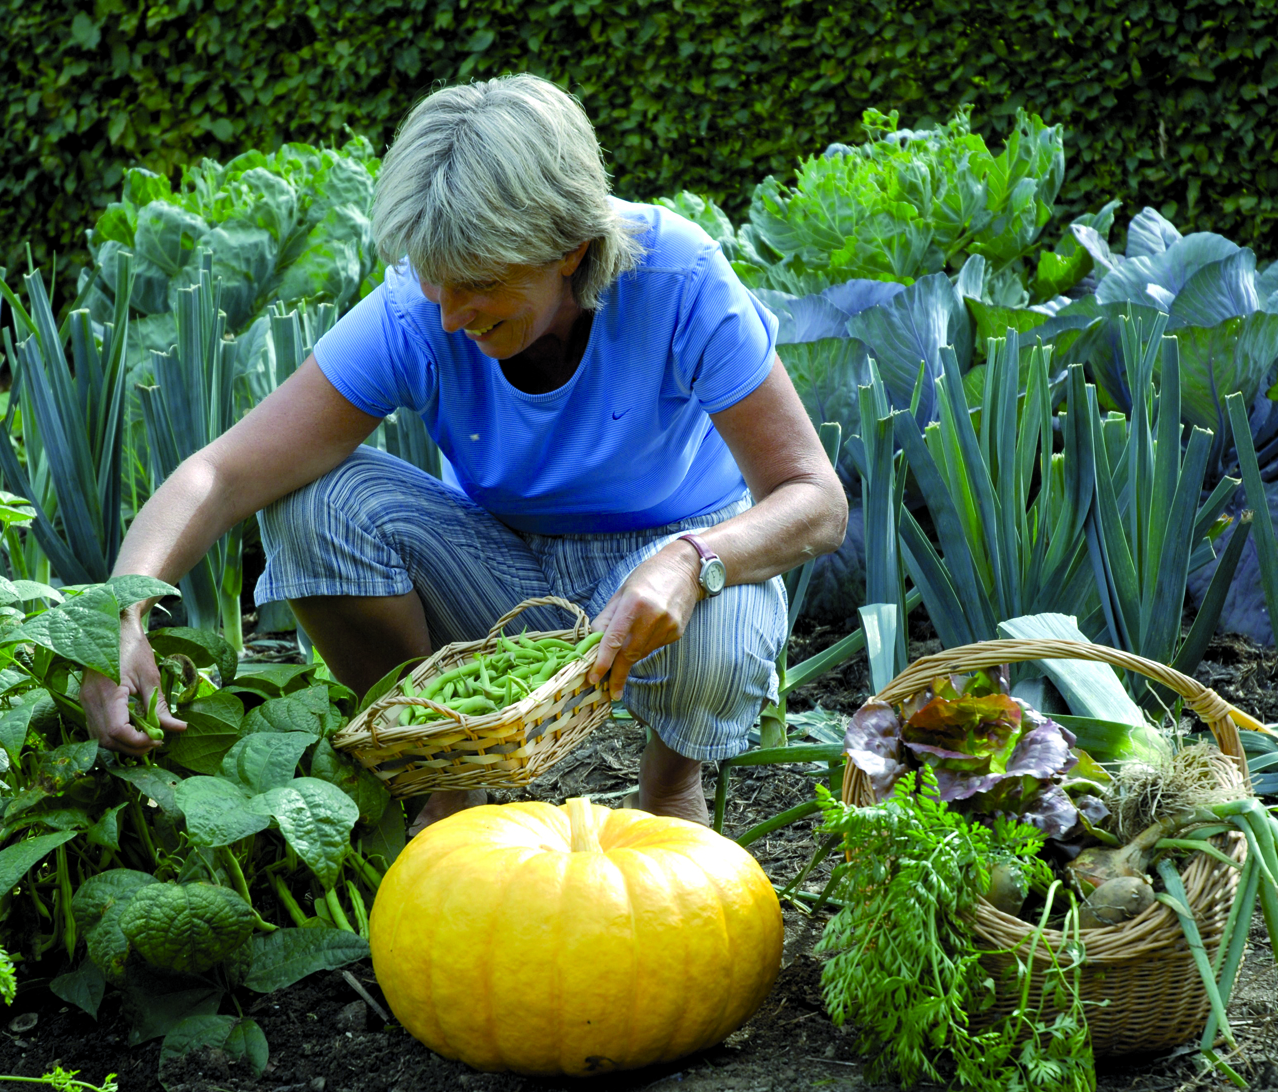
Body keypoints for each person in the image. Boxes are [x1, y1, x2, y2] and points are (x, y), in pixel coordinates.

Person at [80, 74, 847, 829]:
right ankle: (446, 779)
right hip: (499, 570)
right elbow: (220, 473)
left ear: (571, 249)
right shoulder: (420, 310)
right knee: (315, 503)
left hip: (665, 561)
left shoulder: (678, 276)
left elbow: (815, 498)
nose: (449, 316)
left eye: (477, 282)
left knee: (725, 598)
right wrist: (118, 617)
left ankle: (672, 785)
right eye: (435, 280)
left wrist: (691, 558)